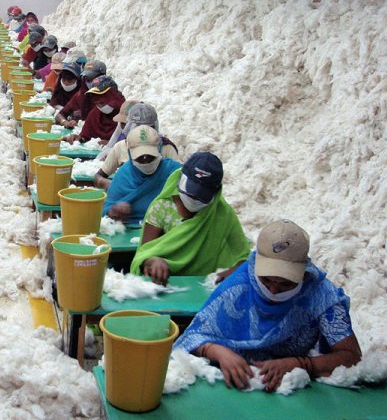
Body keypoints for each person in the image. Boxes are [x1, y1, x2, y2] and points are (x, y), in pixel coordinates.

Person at [174, 220, 362, 392]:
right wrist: (218, 352)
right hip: (230, 382)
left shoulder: (321, 295)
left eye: (286, 284)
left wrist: (299, 364)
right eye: (266, 280)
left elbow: (351, 355)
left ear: (303, 274)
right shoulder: (238, 287)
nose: (273, 290)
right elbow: (190, 338)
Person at [129, 152, 251, 286]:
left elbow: (244, 258)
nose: (193, 198)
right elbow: (143, 254)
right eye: (191, 191)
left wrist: (231, 273)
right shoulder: (162, 208)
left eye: (201, 196)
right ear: (181, 178)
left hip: (202, 290)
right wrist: (152, 261)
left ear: (215, 192)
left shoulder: (223, 214)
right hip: (164, 284)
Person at [102, 126, 182, 226]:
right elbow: (105, 210)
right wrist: (113, 211)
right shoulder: (124, 175)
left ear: (158, 149)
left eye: (150, 157)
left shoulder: (173, 171)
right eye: (140, 158)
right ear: (130, 154)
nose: (145, 161)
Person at [94, 102, 180, 190]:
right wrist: (107, 183)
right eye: (137, 127)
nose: (143, 132)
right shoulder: (120, 147)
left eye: (148, 127)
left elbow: (178, 180)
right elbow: (98, 176)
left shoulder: (166, 148)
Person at [64, 75, 125, 143]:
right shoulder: (94, 115)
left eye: (102, 97)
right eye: (95, 98)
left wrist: (112, 144)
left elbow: (132, 141)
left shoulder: (127, 115)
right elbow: (86, 137)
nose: (98, 101)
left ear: (112, 95)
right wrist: (79, 139)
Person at [55, 59, 105, 128]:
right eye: (87, 80)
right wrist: (65, 122)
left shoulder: (107, 97)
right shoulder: (81, 95)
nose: (90, 82)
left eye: (93, 79)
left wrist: (80, 123)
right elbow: (60, 114)